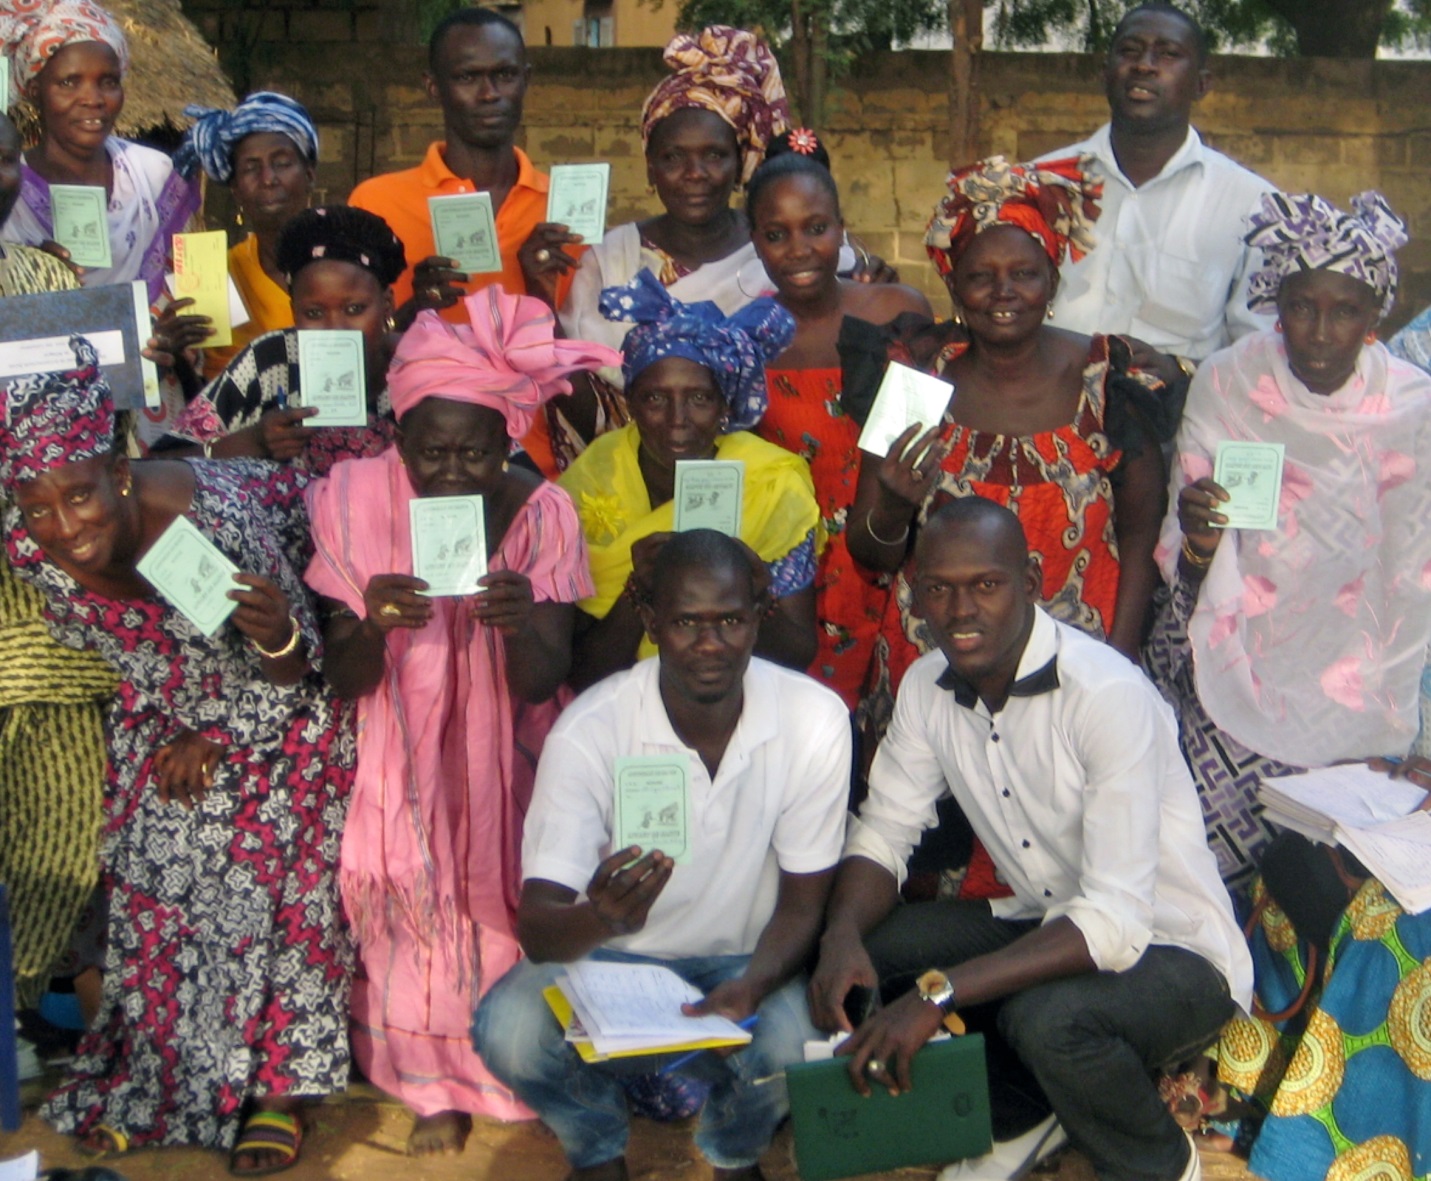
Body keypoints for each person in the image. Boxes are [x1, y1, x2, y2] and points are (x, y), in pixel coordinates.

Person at [810, 498, 1250, 1181]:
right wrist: (839, 937)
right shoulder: (927, 685)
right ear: (914, 592)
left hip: (1175, 951)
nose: (960, 610)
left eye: (984, 584)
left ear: (1031, 581)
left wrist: (936, 994)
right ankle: (1023, 1115)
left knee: (1046, 1018)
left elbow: (1112, 923)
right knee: (874, 947)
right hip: (1043, 918)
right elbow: (885, 831)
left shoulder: (1104, 694)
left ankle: (1162, 1164)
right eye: (939, 588)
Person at [2, 337, 355, 1175]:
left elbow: (293, 659)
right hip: (165, 702)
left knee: (264, 851)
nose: (65, 527)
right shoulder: (29, 546)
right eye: (38, 507)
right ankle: (162, 1079)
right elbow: (127, 648)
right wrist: (174, 723)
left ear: (118, 474)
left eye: (79, 497)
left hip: (286, 700)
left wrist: (217, 729)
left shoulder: (203, 525)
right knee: (152, 852)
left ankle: (278, 1088)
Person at [1143, 190, 1431, 1180]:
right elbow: (1191, 565)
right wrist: (1204, 537)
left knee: (1344, 905)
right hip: (1233, 674)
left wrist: (1399, 723)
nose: (1318, 331)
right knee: (1208, 902)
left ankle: (1313, 1096)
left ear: (1378, 314)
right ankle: (1202, 1097)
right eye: (1300, 305)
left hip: (1364, 704)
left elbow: (1416, 576)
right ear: (1275, 300)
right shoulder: (1229, 383)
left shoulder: (1413, 409)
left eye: (1344, 309)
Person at [302, 285, 615, 1156]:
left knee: (498, 904)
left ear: (505, 443)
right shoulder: (353, 495)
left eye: (472, 453)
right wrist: (368, 620)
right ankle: (424, 1082)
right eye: (430, 451)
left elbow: (544, 678)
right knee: (406, 905)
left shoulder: (539, 509)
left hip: (504, 756)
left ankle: (507, 1069)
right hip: (397, 747)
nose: (449, 471)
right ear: (397, 438)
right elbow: (342, 675)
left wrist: (519, 622)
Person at [473, 528, 852, 1181]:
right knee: (507, 1027)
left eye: (730, 620)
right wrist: (599, 918)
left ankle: (734, 1150)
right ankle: (595, 1147)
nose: (709, 643)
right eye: (685, 622)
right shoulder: (593, 728)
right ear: (649, 621)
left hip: (748, 959)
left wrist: (752, 985)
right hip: (614, 963)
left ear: (760, 617)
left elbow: (802, 903)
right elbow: (537, 929)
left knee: (799, 1044)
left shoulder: (813, 717)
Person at [849, 155, 1170, 730]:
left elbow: (1143, 536)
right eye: (980, 275)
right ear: (951, 282)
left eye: (1024, 273)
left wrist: (1119, 664)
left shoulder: (1108, 380)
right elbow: (869, 552)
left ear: (1052, 278)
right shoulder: (919, 377)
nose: (1004, 292)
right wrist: (894, 505)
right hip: (935, 675)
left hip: (1077, 676)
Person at [558, 271, 820, 691]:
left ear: (724, 406)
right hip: (627, 706)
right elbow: (584, 674)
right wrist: (636, 590)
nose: (678, 421)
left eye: (699, 398)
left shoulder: (772, 486)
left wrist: (751, 587)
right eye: (656, 398)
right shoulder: (592, 480)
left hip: (746, 699)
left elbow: (797, 654)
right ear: (631, 404)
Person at [0, 108, 114, 1022]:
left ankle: (23, 998)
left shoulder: (48, 280)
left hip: (47, 584)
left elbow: (94, 436)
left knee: (63, 819)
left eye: (1, 157)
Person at [747, 149, 931, 709]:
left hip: (896, 551)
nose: (800, 250)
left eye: (817, 228)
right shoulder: (746, 337)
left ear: (843, 230)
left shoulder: (896, 311)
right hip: (800, 577)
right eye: (776, 234)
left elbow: (927, 435)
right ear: (755, 243)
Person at [1037, 2, 1273, 384]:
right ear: (1105, 72)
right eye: (1130, 51)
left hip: (1176, 425)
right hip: (1047, 411)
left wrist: (1182, 373)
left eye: (1168, 54)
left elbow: (1257, 350)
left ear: (1201, 84)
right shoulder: (1041, 183)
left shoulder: (1253, 206)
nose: (1144, 65)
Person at [162, 205, 406, 475]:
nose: (335, 329)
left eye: (354, 309)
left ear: (387, 305)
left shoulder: (423, 366)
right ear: (293, 312)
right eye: (314, 313)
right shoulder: (269, 361)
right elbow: (160, 464)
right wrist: (253, 440)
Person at [0, 0, 200, 300]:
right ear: (35, 90)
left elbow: (192, 289)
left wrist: (172, 333)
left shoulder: (153, 175)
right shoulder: (8, 189)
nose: (92, 99)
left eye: (108, 82)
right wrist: (36, 272)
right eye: (69, 82)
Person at [173, 91, 320, 379]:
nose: (268, 179)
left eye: (282, 163)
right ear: (236, 189)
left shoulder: (348, 262)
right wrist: (176, 355)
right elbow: (208, 386)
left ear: (310, 175)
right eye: (251, 168)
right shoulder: (214, 275)